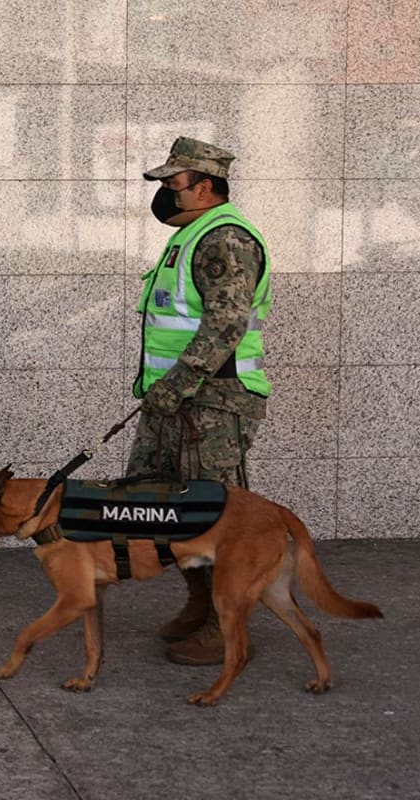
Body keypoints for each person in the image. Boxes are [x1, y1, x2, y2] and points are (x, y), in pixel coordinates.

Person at [129, 137, 272, 665]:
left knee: (219, 516)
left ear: (205, 186)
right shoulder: (191, 236)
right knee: (171, 511)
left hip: (213, 404)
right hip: (178, 403)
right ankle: (198, 603)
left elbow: (226, 324)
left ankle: (227, 625)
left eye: (173, 184)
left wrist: (176, 384)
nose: (165, 193)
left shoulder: (225, 239)